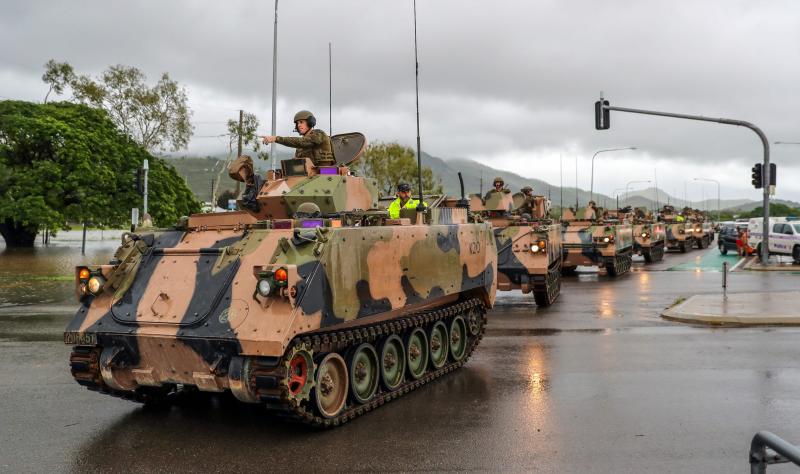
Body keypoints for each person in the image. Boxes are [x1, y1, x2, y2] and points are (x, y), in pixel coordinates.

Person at [261, 110, 335, 166]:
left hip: (326, 171)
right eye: (297, 123)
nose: (299, 125)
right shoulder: (299, 148)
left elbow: (302, 142)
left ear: (310, 122)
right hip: (309, 174)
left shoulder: (319, 134)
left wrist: (276, 138)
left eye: (301, 122)